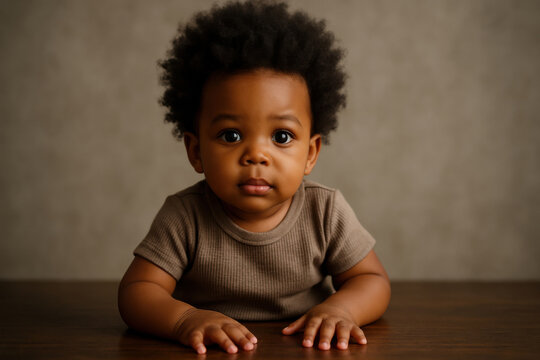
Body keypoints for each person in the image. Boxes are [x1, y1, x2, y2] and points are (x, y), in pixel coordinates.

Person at [118, 0, 391, 354]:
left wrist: (340, 308)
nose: (256, 155)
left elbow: (371, 280)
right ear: (196, 151)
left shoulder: (324, 211)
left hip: (301, 345)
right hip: (214, 349)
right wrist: (184, 319)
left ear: (310, 153)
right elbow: (137, 291)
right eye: (231, 135)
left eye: (281, 136)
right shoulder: (185, 216)